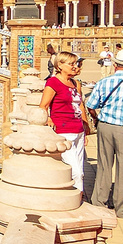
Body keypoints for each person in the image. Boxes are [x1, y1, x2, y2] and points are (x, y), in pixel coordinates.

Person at [87, 48, 123, 219]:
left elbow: (91, 104)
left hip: (105, 126)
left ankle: (99, 202)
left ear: (114, 65)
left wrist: (96, 119)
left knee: (104, 165)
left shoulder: (104, 82)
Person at [39, 50, 86, 192]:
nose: (74, 66)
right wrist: (48, 118)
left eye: (75, 63)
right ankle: (76, 195)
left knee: (81, 170)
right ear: (60, 65)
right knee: (75, 171)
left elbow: (80, 104)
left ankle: (79, 195)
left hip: (78, 130)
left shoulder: (75, 83)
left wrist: (86, 125)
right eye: (71, 64)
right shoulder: (53, 82)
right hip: (64, 131)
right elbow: (43, 105)